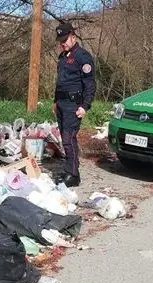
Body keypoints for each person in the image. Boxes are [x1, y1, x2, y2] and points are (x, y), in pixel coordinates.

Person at [52, 22, 96, 187]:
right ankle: (70, 169)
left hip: (73, 104)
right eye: (60, 40)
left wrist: (85, 106)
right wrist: (55, 102)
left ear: (73, 36)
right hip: (62, 103)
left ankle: (73, 175)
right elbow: (60, 83)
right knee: (65, 138)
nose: (62, 43)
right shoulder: (62, 57)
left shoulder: (83, 57)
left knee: (68, 139)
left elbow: (90, 84)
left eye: (65, 39)